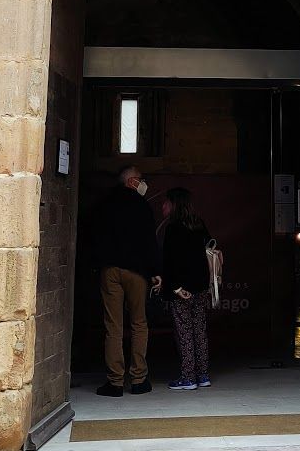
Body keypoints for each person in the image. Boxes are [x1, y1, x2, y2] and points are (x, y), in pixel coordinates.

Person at [89, 165, 161, 397]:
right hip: (137, 272)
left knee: (114, 326)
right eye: (141, 179)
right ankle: (139, 379)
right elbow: (150, 240)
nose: (143, 183)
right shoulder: (142, 206)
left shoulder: (104, 205)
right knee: (139, 323)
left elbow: (94, 237)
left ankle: (115, 382)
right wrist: (155, 270)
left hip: (110, 270)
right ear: (131, 182)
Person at [160, 187, 213, 391]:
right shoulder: (199, 224)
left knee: (184, 332)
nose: (163, 206)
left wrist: (175, 287)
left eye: (166, 202)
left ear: (174, 204)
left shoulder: (173, 228)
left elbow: (169, 261)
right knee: (199, 330)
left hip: (182, 288)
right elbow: (210, 249)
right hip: (201, 285)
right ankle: (203, 375)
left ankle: (188, 378)